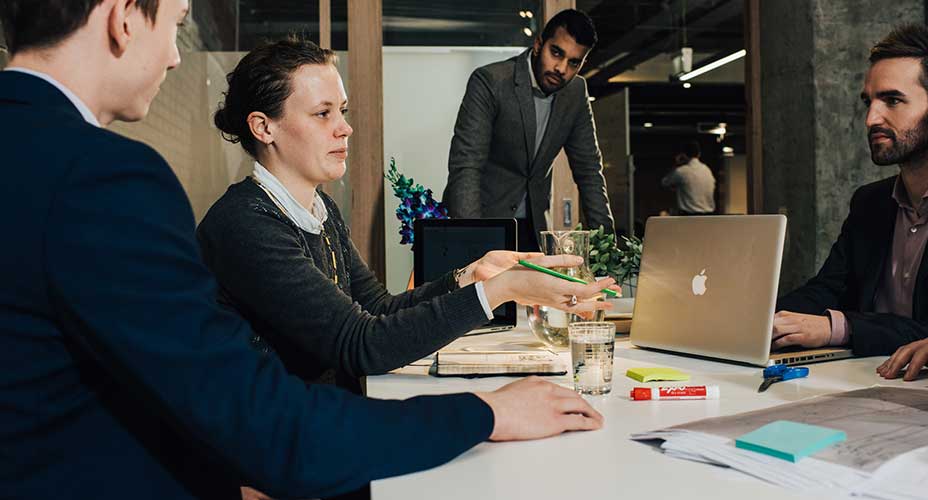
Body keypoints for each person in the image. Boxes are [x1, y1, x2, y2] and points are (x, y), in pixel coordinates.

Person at [0, 1, 606, 499]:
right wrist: (487, 409)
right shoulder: (114, 180)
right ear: (123, 17)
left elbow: (372, 313)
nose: (176, 54)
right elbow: (270, 410)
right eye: (176, 23)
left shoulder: (39, 155)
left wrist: (471, 277)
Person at [197, 38, 616, 398]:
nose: (345, 129)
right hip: (275, 455)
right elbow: (362, 344)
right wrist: (499, 291)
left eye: (342, 111)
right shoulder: (246, 224)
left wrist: (474, 275)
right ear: (263, 127)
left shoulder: (320, 211)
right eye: (323, 113)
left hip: (320, 423)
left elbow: (377, 309)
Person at [771, 24, 928, 363]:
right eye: (869, 101)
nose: (870, 118)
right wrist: (761, 320)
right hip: (861, 378)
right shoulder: (870, 202)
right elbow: (828, 289)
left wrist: (840, 327)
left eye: (892, 100)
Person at [442, 9, 614, 251]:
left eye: (574, 62)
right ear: (538, 44)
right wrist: (474, 239)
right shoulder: (490, 82)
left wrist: (607, 247)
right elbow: (466, 165)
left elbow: (589, 171)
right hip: (480, 220)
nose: (561, 69)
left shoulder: (575, 93)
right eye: (556, 53)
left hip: (532, 229)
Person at [661, 141, 716, 215]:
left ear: (683, 155)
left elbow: (665, 182)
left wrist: (676, 164)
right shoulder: (707, 170)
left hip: (689, 217)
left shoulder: (681, 171)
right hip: (708, 215)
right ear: (699, 154)